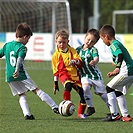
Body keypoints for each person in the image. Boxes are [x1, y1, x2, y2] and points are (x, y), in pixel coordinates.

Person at [0, 22, 59, 120]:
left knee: (21, 94)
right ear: (24, 36)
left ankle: (27, 114)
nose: (28, 41)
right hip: (20, 74)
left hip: (9, 76)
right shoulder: (22, 48)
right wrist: (18, 69)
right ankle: (55, 106)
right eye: (28, 38)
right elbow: (20, 59)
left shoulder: (7, 45)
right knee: (36, 90)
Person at [99, 24, 133, 122]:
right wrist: (116, 71)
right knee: (118, 91)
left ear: (106, 36)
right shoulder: (117, 43)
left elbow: (120, 55)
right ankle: (125, 116)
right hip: (130, 71)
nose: (103, 42)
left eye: (102, 39)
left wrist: (117, 68)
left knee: (109, 88)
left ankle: (114, 115)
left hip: (128, 71)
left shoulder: (114, 44)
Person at [52, 29, 87, 119]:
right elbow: (55, 71)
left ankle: (80, 113)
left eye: (64, 42)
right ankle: (66, 103)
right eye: (59, 42)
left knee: (83, 94)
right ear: (56, 41)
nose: (61, 44)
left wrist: (75, 61)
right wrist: (55, 83)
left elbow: (79, 61)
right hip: (64, 74)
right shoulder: (56, 55)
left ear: (68, 41)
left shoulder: (72, 51)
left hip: (75, 76)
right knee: (68, 85)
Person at [76, 29, 109, 116]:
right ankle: (91, 107)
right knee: (85, 88)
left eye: (92, 41)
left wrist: (94, 61)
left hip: (95, 75)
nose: (89, 42)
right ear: (85, 37)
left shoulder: (93, 50)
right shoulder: (78, 50)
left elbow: (96, 58)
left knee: (102, 94)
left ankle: (113, 110)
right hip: (84, 75)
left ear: (95, 43)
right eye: (88, 39)